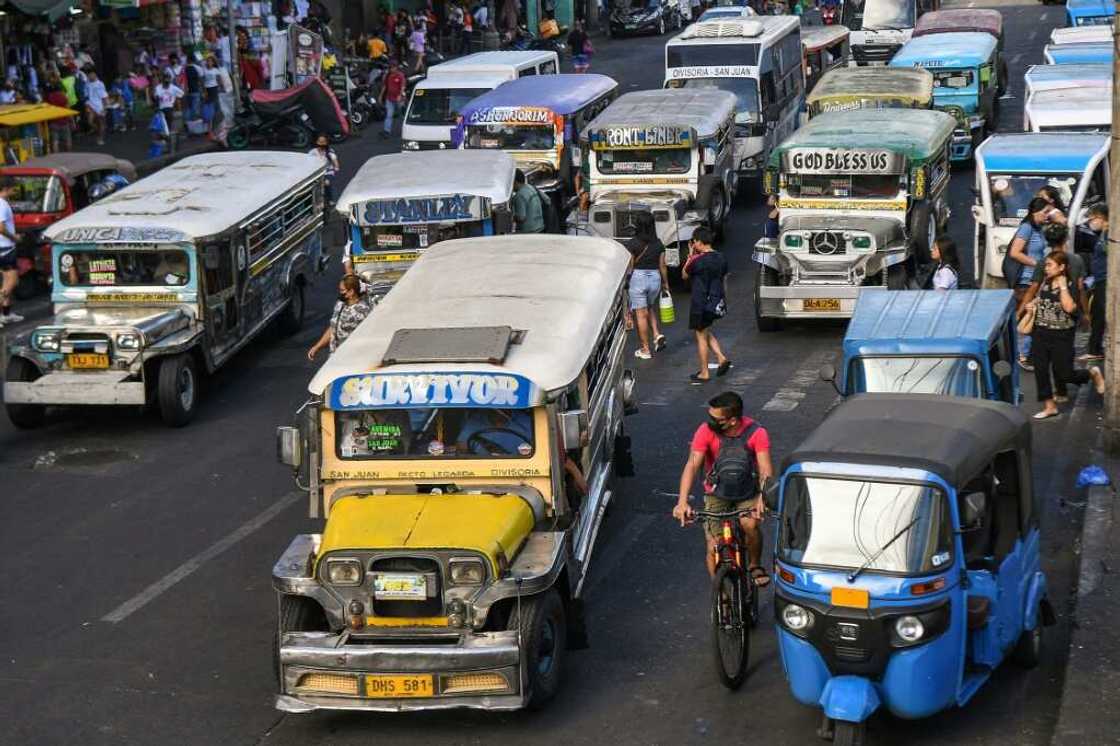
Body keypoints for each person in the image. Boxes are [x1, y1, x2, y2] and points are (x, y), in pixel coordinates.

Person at [673, 391, 773, 583]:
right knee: (713, 546)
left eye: (716, 418)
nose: (710, 421)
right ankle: (719, 591)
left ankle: (754, 564)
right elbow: (692, 465)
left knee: (750, 525)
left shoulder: (757, 433)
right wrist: (682, 501)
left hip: (747, 493)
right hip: (716, 494)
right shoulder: (705, 431)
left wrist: (763, 498)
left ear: (733, 420)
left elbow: (765, 470)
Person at [1022, 250, 1104, 419]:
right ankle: (1050, 406)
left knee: (1065, 374)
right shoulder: (1046, 282)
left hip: (1062, 336)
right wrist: (1033, 305)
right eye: (1046, 264)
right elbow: (1042, 298)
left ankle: (1091, 373)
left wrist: (1063, 286)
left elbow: (1069, 308)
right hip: (1041, 333)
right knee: (1041, 371)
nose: (1046, 268)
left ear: (1061, 267)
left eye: (1050, 265)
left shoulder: (1071, 285)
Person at [1007, 197, 1051, 371]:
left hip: (1036, 280)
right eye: (1045, 212)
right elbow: (1015, 253)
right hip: (1026, 281)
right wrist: (1037, 264)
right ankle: (1022, 355)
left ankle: (1027, 353)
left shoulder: (1039, 229)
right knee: (1026, 317)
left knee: (1032, 317)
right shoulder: (1026, 229)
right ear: (1035, 212)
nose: (1048, 215)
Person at [682, 227, 731, 384]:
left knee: (701, 336)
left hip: (700, 302)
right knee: (705, 330)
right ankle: (721, 358)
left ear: (698, 242)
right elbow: (724, 279)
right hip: (716, 300)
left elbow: (684, 275)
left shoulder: (697, 260)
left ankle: (704, 372)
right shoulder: (721, 257)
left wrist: (690, 256)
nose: (693, 244)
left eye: (694, 241)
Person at [625, 211, 669, 360]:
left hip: (638, 278)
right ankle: (657, 335)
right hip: (655, 278)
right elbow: (663, 266)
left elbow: (630, 266)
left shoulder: (633, 243)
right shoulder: (659, 243)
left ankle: (645, 349)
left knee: (640, 314)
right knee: (649, 307)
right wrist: (665, 284)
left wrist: (626, 281)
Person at [307, 275, 376, 359]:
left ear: (351, 291)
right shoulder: (340, 304)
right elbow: (333, 327)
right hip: (335, 357)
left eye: (342, 290)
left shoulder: (363, 311)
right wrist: (317, 347)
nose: (340, 292)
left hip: (351, 358)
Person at [1084, 204, 1109, 362]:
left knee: (1099, 315)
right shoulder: (1103, 233)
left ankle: (1095, 349)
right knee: (1097, 315)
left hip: (1106, 281)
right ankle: (1095, 349)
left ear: (1101, 217)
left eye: (1092, 218)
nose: (1091, 222)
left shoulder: (1109, 234)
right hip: (1099, 279)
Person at [0, 178, 22, 325]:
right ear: (6, 188)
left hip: (4, 248)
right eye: (13, 188)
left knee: (8, 282)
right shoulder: (1, 204)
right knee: (12, 281)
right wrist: (14, 237)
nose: (15, 191)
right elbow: (1, 228)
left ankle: (6, 314)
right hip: (6, 248)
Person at [308, 134, 340, 204]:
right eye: (320, 141)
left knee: (328, 184)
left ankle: (333, 199)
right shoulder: (312, 152)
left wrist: (334, 171)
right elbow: (308, 163)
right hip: (317, 172)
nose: (321, 143)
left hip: (328, 172)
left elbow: (336, 165)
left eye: (323, 141)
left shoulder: (330, 152)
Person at [379, 60, 407, 140]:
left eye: (392, 67)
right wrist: (381, 95)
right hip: (389, 98)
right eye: (390, 67)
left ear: (396, 67)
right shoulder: (388, 76)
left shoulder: (400, 75)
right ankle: (386, 131)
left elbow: (402, 87)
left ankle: (406, 130)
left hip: (399, 99)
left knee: (402, 115)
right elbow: (385, 86)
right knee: (389, 115)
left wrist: (399, 95)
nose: (391, 69)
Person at [511, 170, 544, 234]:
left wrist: (512, 217)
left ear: (515, 182)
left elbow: (521, 218)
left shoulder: (519, 195)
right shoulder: (530, 187)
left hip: (529, 231)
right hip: (539, 227)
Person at [84, 68, 108, 146]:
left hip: (100, 106)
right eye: (89, 75)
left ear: (95, 75)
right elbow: (86, 96)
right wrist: (87, 105)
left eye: (92, 74)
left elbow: (104, 97)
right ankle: (98, 131)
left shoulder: (100, 84)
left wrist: (104, 108)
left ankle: (100, 138)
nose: (90, 76)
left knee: (101, 123)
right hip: (90, 105)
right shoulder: (87, 84)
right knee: (90, 122)